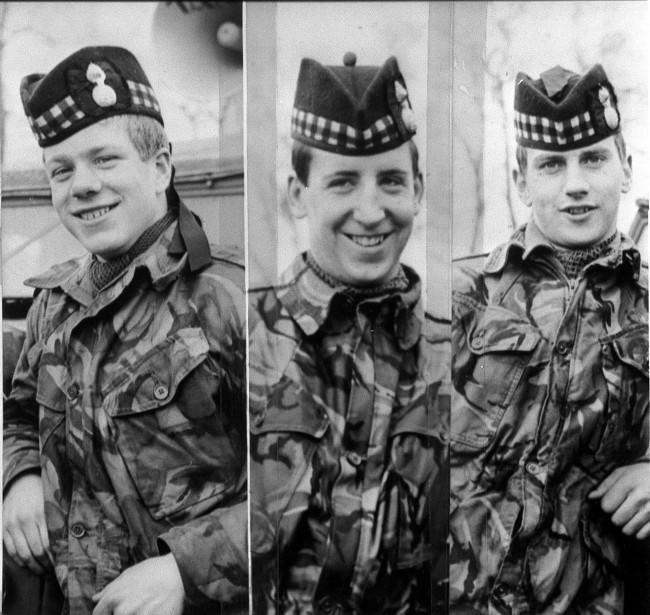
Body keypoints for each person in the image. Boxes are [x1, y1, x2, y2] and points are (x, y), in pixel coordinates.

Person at [3, 46, 248, 615]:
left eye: (104, 159)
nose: (81, 185)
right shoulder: (52, 302)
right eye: (61, 170)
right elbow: (17, 412)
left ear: (161, 165)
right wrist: (19, 478)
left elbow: (304, 487)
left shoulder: (231, 298)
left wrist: (185, 570)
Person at [248, 53, 450, 614]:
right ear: (297, 194)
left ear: (418, 191)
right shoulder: (241, 338)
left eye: (390, 181)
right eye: (342, 182)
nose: (371, 210)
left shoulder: (454, 353)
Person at [450, 64, 649, 613]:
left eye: (593, 157)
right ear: (521, 178)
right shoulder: (458, 298)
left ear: (626, 166)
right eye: (552, 165)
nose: (576, 184)